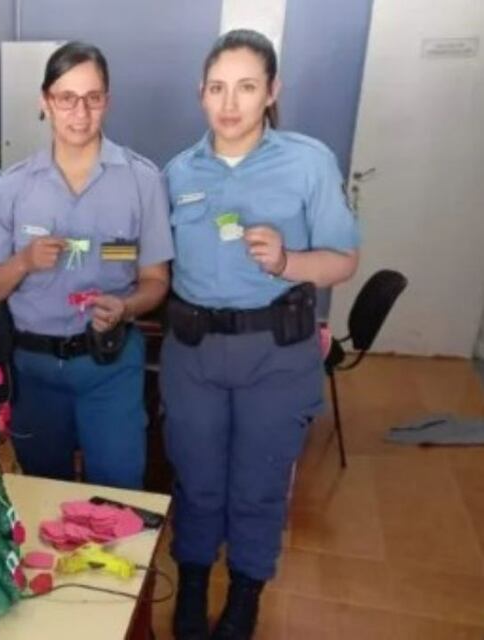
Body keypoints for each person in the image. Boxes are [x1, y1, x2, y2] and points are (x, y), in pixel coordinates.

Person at [161, 30, 360, 640]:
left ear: (271, 92)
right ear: (201, 94)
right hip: (193, 351)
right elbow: (154, 261)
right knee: (195, 477)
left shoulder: (307, 161)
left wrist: (287, 263)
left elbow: (344, 260)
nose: (230, 103)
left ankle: (246, 594)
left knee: (257, 483)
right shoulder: (176, 171)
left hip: (275, 351)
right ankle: (192, 583)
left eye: (246, 87)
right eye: (218, 88)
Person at [0, 41, 173, 490]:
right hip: (35, 369)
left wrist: (126, 307)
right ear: (46, 102)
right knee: (44, 494)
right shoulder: (14, 186)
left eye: (92, 97)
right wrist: (23, 261)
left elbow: (156, 281)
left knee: (118, 493)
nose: (79, 112)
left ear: (107, 100)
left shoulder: (143, 180)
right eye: (66, 98)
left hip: (111, 363)